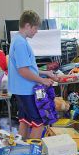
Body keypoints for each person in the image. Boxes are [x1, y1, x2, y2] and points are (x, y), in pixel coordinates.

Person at [8, 10, 57, 140]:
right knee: (38, 123)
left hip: (21, 89)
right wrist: (42, 80)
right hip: (26, 90)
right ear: (28, 25)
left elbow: (27, 67)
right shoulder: (20, 43)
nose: (36, 31)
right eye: (35, 28)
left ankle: (21, 151)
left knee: (24, 120)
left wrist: (45, 72)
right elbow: (23, 71)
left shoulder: (17, 40)